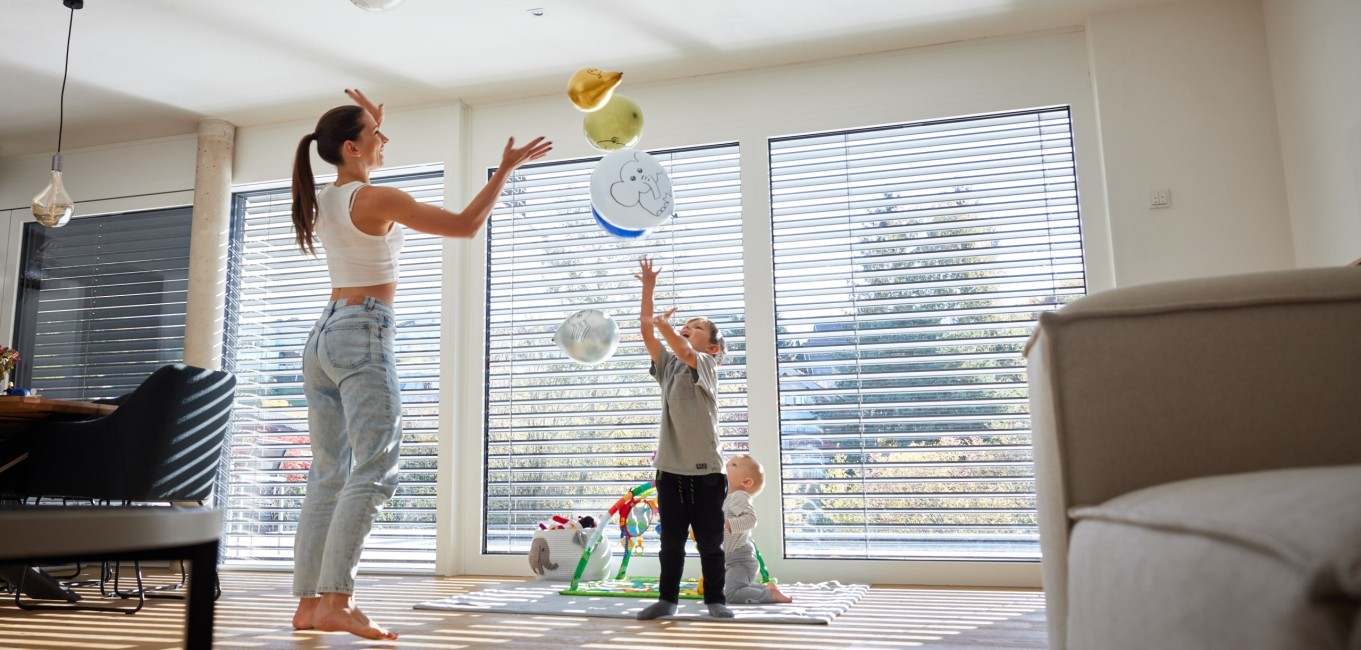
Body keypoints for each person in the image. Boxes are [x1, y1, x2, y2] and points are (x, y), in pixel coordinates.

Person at [287, 89, 551, 641]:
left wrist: (369, 129)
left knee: (329, 474)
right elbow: (462, 225)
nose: (386, 141)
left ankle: (310, 605)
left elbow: (362, 168)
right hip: (362, 331)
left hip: (322, 337)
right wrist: (504, 170)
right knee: (375, 469)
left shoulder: (332, 196)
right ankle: (339, 599)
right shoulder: (374, 198)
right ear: (353, 147)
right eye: (376, 135)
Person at [634, 256, 734, 620]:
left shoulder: (705, 364)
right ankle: (668, 600)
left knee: (710, 543)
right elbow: (648, 332)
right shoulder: (669, 366)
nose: (688, 327)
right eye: (686, 324)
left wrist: (668, 327)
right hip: (671, 470)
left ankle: (716, 601)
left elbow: (684, 350)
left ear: (712, 347)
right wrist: (649, 289)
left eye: (695, 326)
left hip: (707, 472)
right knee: (670, 542)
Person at [722, 454, 793, 604]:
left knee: (731, 594)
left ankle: (770, 596)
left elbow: (751, 520)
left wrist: (727, 523)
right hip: (732, 559)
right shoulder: (727, 497)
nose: (727, 464)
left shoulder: (739, 496)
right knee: (733, 587)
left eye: (733, 465)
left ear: (746, 482)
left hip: (741, 559)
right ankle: (767, 589)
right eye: (729, 462)